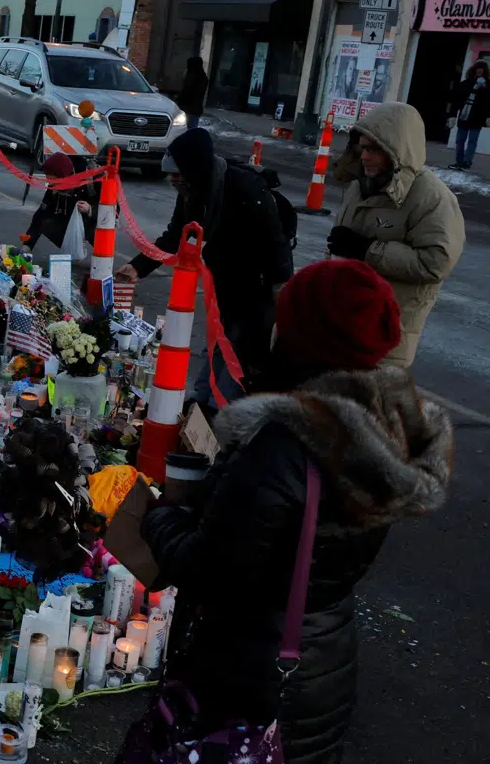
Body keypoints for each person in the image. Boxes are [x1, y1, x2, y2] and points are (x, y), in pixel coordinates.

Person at [130, 259, 452, 764]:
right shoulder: (386, 434)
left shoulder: (285, 446)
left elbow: (208, 570)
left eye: (286, 317)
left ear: (308, 338)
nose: (274, 326)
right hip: (322, 662)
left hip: (248, 672)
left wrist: (159, 515)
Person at [118, 128, 292, 404]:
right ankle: (202, 401)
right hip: (224, 281)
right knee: (219, 342)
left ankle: (217, 410)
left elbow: (275, 243)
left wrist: (281, 293)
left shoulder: (243, 187)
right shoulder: (191, 190)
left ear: (194, 168)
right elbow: (177, 234)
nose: (172, 180)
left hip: (256, 285)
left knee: (238, 352)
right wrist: (138, 267)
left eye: (177, 173)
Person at [327, 102, 464, 366]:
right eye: (363, 148)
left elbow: (435, 262)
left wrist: (368, 250)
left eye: (374, 149)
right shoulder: (361, 185)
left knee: (371, 405)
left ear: (398, 151)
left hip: (388, 337)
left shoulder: (432, 198)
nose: (365, 157)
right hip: (344, 323)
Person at [21, 153, 97, 263]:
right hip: (69, 221)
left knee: (97, 231)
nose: (50, 184)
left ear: (64, 177)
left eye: (52, 180)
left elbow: (112, 209)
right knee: (44, 222)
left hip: (92, 221)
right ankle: (73, 249)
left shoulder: (91, 179)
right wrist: (27, 246)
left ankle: (103, 262)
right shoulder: (54, 185)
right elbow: (41, 214)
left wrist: (90, 210)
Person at [450, 60, 489, 170]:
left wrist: (488, 116)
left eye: (482, 68)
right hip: (464, 117)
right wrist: (452, 115)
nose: (480, 70)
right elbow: (457, 100)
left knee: (472, 141)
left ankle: (467, 163)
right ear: (474, 69)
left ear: (485, 71)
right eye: (478, 68)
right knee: (460, 140)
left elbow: (488, 103)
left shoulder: (487, 86)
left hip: (477, 118)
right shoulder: (465, 84)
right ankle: (459, 162)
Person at [178, 56, 209, 129]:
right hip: (193, 109)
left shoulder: (193, 77)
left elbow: (188, 92)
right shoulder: (202, 76)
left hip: (190, 108)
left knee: (187, 129)